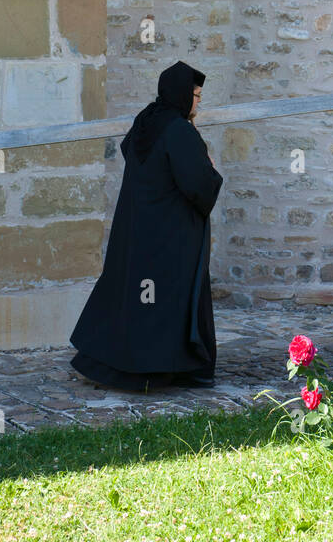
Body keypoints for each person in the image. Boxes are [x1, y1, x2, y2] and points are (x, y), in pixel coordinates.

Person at [70, 62, 223, 392]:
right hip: (170, 230)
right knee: (163, 298)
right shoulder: (179, 130)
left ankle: (112, 361)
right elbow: (197, 183)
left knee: (134, 294)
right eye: (195, 96)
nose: (198, 102)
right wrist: (210, 171)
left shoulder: (148, 120)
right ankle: (148, 369)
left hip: (139, 224)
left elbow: (131, 151)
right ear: (182, 95)